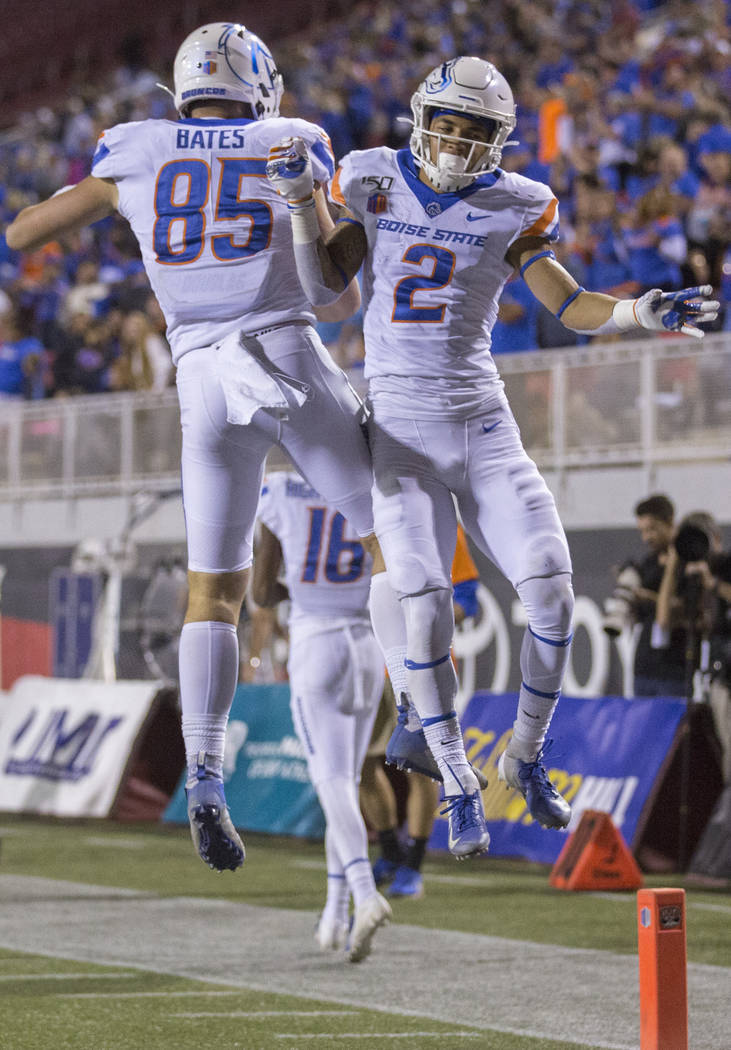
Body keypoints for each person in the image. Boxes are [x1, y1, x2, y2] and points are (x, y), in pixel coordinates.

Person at [266, 56, 720, 832]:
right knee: (422, 607)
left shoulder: (517, 204)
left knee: (550, 590)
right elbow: (322, 292)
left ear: (497, 139)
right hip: (401, 434)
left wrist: (640, 313)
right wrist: (305, 205)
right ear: (422, 118)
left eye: (474, 130)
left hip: (482, 424)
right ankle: (455, 782)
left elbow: (568, 302)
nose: (454, 139)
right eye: (446, 122)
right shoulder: (373, 176)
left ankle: (524, 755)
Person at [6, 22, 386, 875]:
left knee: (214, 592)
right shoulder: (288, 139)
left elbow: (26, 234)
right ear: (259, 84)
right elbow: (336, 289)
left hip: (201, 382)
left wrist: (112, 197)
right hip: (282, 352)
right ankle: (434, 733)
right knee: (392, 537)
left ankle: (206, 775)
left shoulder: (136, 146)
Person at [252, 469, 391, 960]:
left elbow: (261, 591)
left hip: (317, 641)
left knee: (331, 781)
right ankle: (335, 913)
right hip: (367, 644)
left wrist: (300, 588)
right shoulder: (372, 485)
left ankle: (364, 891)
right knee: (346, 783)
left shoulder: (282, 488)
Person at [361, 523, 480, 899]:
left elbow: (468, 598)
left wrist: (423, 616)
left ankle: (413, 864)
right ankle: (390, 851)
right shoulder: (358, 515)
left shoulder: (437, 519)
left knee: (419, 767)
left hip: (418, 662)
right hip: (361, 663)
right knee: (359, 766)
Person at [655, 511, 731, 779]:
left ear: (716, 539)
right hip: (716, 678)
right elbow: (663, 620)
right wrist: (675, 564)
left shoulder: (724, 566)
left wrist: (713, 582)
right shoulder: (690, 574)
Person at [603, 493, 688, 698]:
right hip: (645, 668)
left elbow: (687, 610)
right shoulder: (647, 565)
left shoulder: (687, 564)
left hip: (675, 670)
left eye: (652, 529)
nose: (646, 537)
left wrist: (649, 598)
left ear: (669, 522)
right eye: (642, 531)